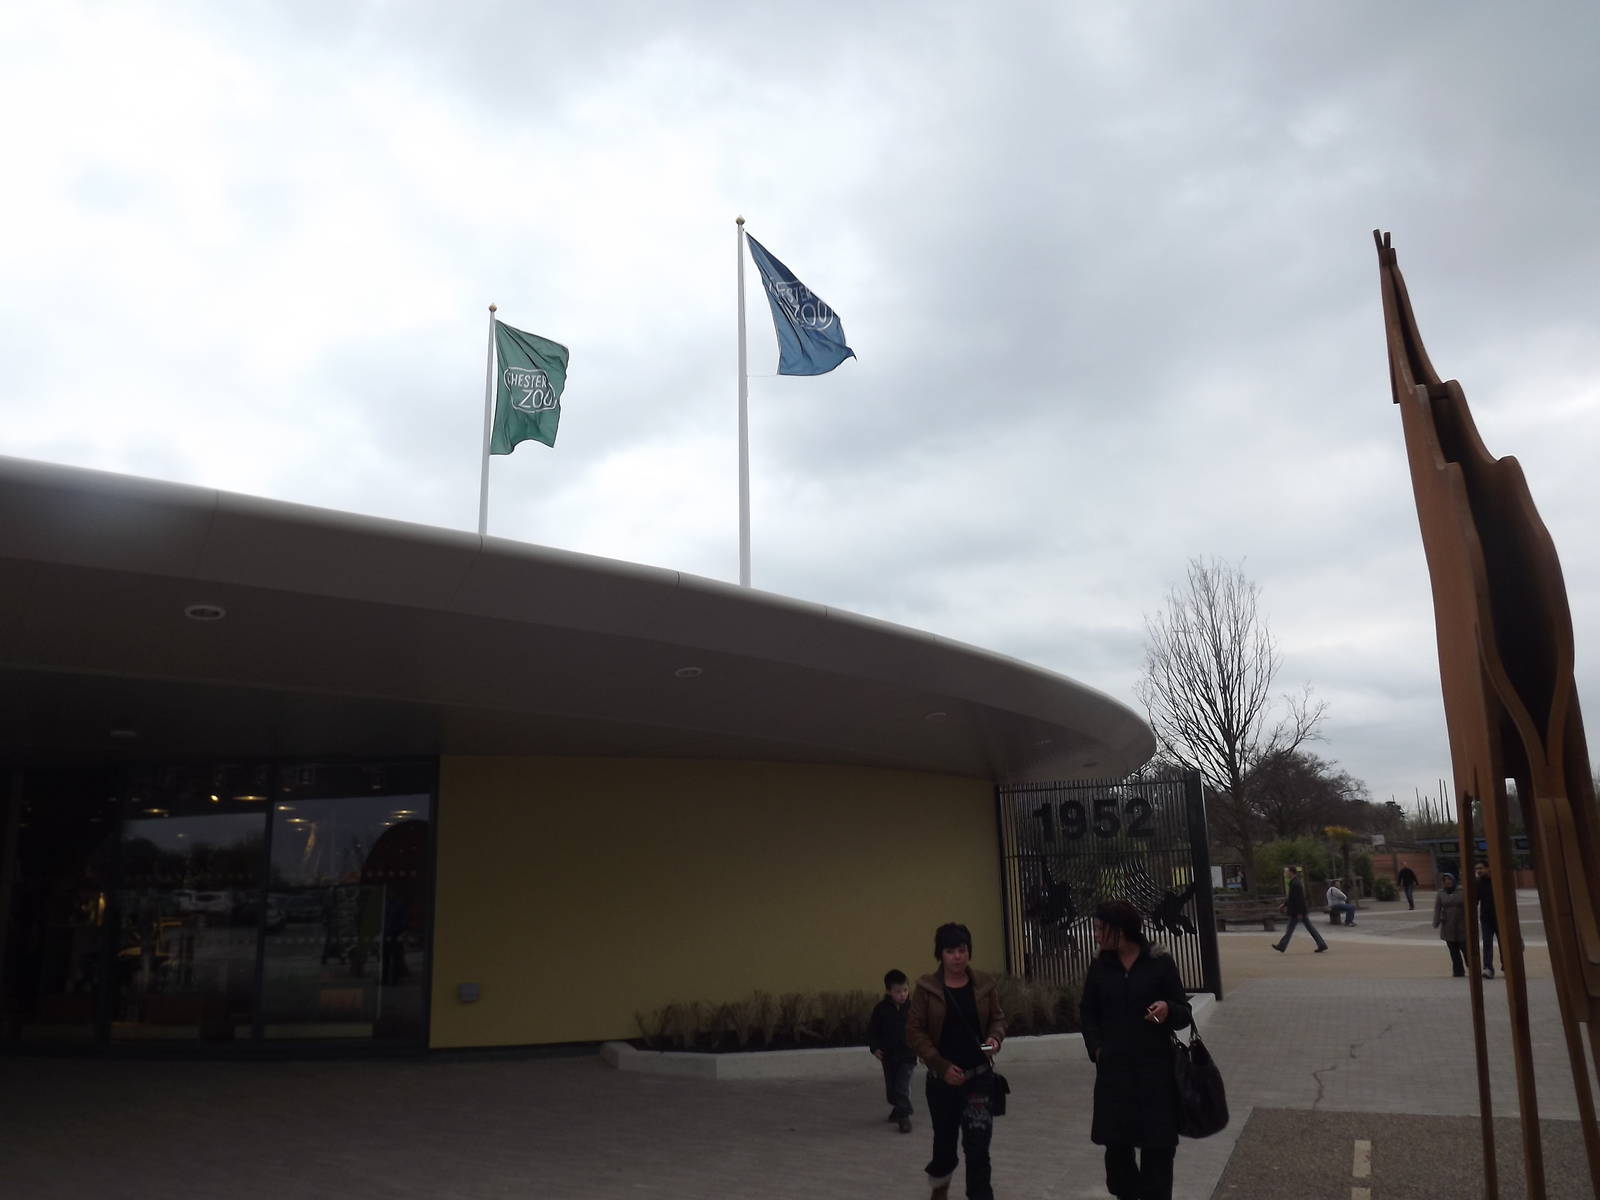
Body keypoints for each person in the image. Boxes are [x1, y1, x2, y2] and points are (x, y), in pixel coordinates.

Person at [1080, 899, 1193, 1200]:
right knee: (1118, 1159)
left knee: (1158, 1155)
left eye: (1100, 929)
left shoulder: (1160, 962)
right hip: (1114, 1077)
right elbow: (1088, 1012)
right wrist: (1097, 1050)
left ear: (1120, 930)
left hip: (1156, 1076)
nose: (1096, 935)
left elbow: (1184, 1010)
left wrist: (1168, 1009)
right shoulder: (1100, 966)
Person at [906, 922, 1006, 1200]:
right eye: (950, 951)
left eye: (962, 950)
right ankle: (940, 1191)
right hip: (943, 1083)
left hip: (979, 1078)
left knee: (977, 1149)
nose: (957, 957)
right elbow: (915, 1031)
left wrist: (994, 1040)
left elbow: (997, 1018)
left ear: (969, 952)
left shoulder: (985, 984)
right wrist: (940, 1065)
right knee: (945, 1147)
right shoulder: (927, 988)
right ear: (940, 954)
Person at [868, 968, 916, 1132]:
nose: (903, 994)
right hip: (888, 1056)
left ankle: (904, 1117)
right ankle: (897, 1108)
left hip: (908, 1055)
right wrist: (874, 1048)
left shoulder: (913, 1009)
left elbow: (921, 1029)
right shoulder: (881, 1010)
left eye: (905, 990)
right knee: (892, 1089)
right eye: (898, 991)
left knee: (902, 1086)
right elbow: (872, 1031)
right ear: (889, 991)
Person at [1272, 867, 1328, 953]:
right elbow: (1292, 898)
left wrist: (1299, 912)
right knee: (1307, 928)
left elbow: (1299, 899)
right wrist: (1284, 904)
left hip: (1297, 911)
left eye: (1286, 872)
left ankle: (1282, 945)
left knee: (1291, 928)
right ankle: (1321, 944)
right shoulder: (1295, 883)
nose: (1285, 874)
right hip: (1298, 910)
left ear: (1291, 872)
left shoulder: (1295, 884)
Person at [1432, 871, 1467, 976]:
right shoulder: (1441, 893)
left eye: (1449, 879)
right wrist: (1436, 921)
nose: (1447, 882)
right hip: (1448, 925)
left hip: (1461, 924)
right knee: (1453, 950)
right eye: (1445, 880)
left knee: (1465, 948)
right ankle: (1458, 971)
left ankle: (1472, 966)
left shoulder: (1461, 891)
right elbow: (1437, 908)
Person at [1474, 862, 1502, 979]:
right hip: (1486, 918)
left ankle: (1506, 964)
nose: (1478, 871)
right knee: (1487, 943)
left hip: (1500, 917)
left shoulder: (1497, 881)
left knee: (1503, 943)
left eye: (1480, 868)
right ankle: (1488, 967)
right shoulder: (1478, 883)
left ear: (1488, 868)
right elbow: (1475, 900)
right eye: (1476, 869)